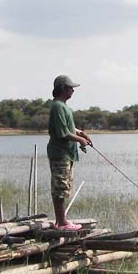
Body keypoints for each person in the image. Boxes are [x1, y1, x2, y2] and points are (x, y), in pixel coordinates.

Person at [47, 74, 92, 231]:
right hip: (60, 153)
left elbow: (69, 128)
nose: (73, 90)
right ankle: (61, 222)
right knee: (60, 188)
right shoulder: (58, 106)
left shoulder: (64, 106)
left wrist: (81, 134)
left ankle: (62, 221)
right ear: (62, 89)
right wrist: (80, 141)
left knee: (64, 187)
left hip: (66, 154)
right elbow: (62, 133)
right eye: (70, 87)